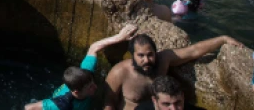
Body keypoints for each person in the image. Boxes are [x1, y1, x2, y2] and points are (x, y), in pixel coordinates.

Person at [103, 32, 243, 110]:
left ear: (155, 52)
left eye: (150, 54)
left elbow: (194, 50)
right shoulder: (119, 72)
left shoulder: (164, 59)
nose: (146, 60)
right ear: (132, 55)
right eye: (141, 56)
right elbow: (109, 102)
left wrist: (222, 39)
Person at [25, 24, 138, 110]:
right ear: (76, 92)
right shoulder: (61, 104)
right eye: (90, 87)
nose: (95, 87)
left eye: (92, 83)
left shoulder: (86, 73)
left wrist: (120, 37)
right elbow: (29, 107)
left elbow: (94, 47)